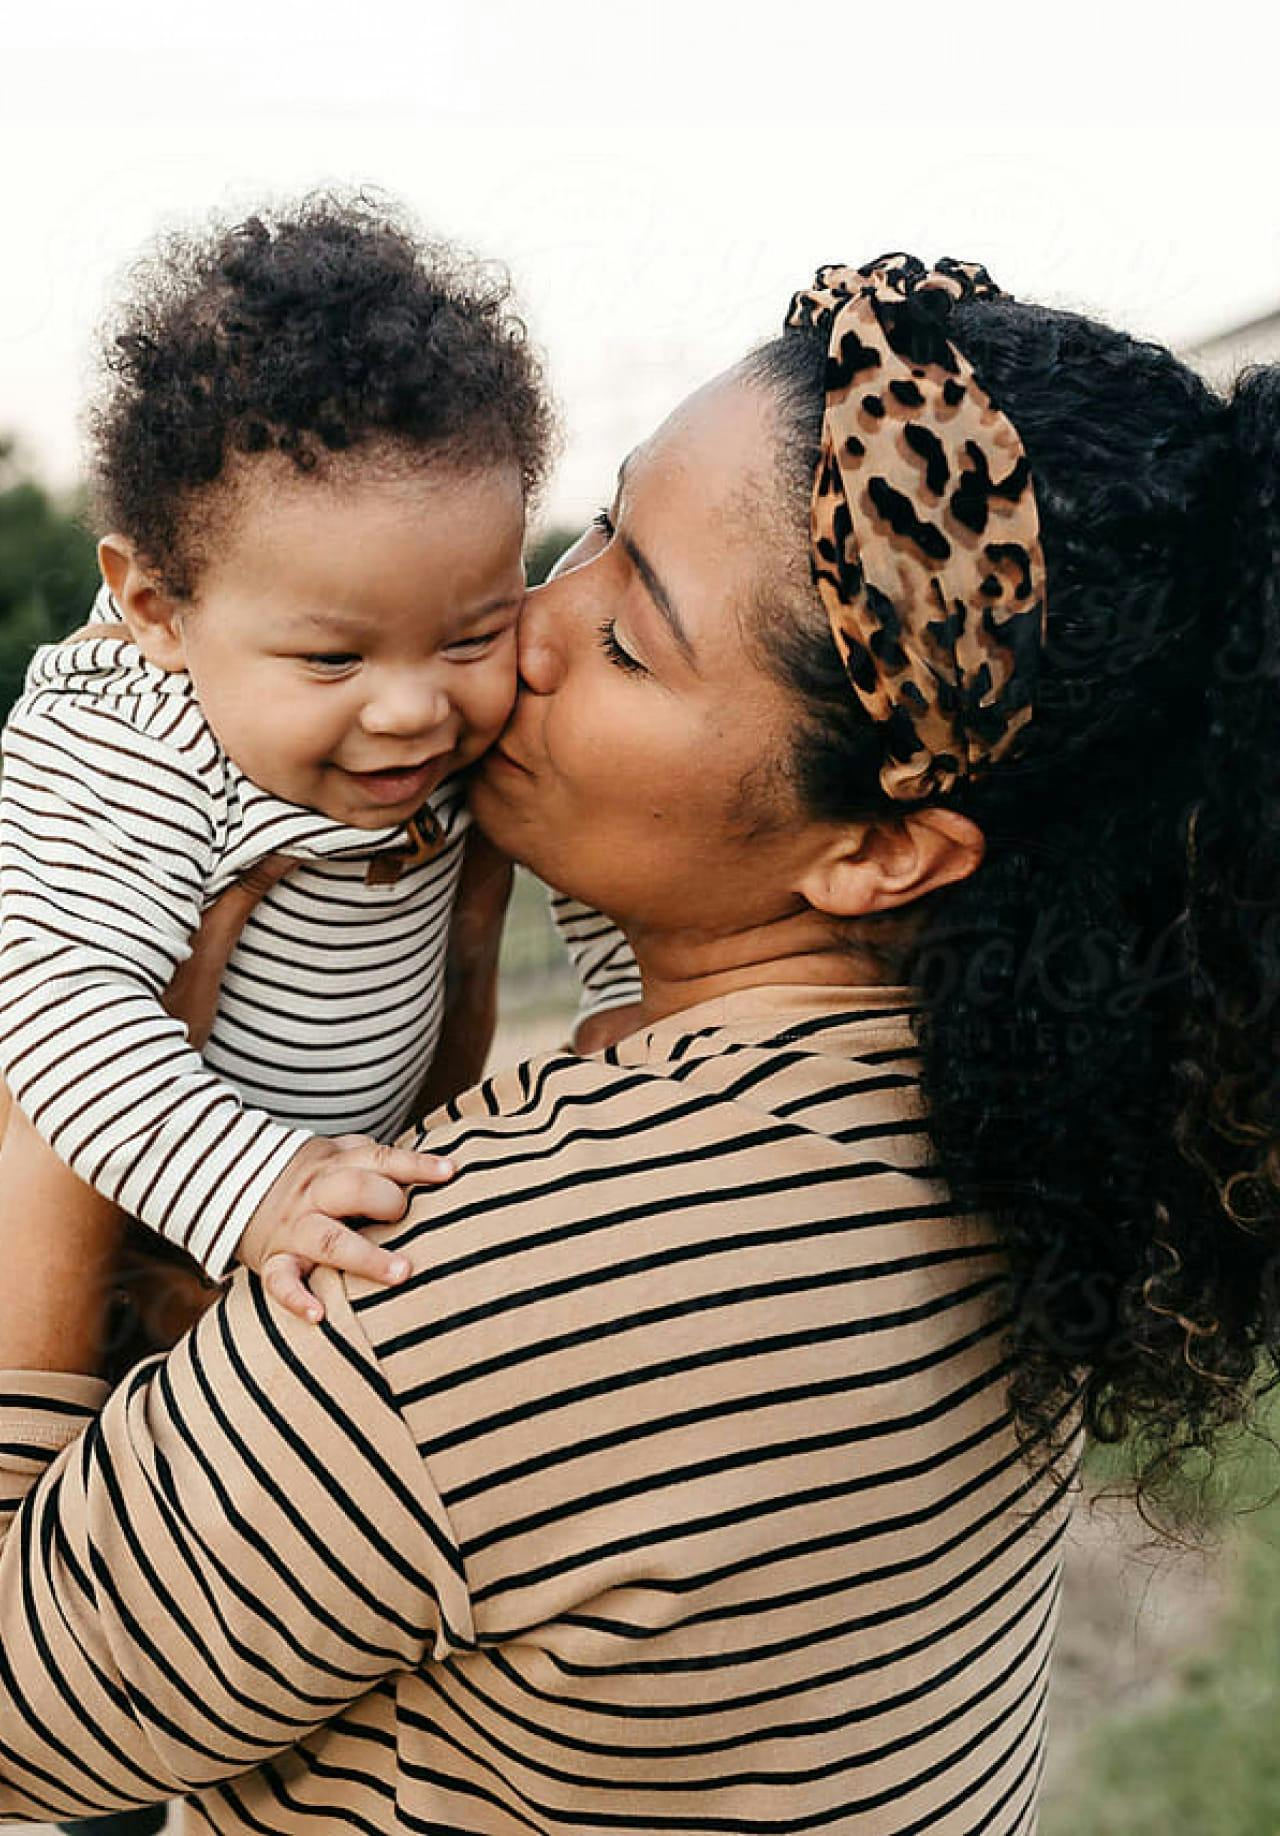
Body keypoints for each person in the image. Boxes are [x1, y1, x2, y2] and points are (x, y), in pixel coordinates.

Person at [0, 252, 1277, 1833]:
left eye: (628, 639)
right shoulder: (1002, 1126)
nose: (526, 627)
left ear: (883, 856)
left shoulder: (426, 1293)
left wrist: (39, 1146)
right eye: (597, 526)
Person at [0, 195, 633, 1327]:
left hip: (303, 1235)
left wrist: (634, 1015)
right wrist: (253, 1183)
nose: (410, 711)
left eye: (470, 634)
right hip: (117, 1239)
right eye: (333, 658)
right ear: (156, 606)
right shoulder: (130, 734)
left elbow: (592, 839)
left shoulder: (454, 715)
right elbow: (58, 1007)